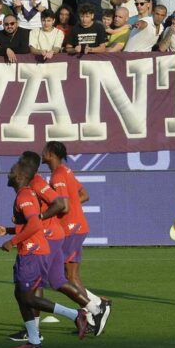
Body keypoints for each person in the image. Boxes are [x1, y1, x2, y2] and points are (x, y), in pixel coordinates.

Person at [0, 158, 96, 348]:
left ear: (20, 176)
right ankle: (34, 340)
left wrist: (11, 241)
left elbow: (35, 224)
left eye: (12, 169)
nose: (9, 171)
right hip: (32, 249)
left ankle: (76, 315)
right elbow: (31, 223)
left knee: (29, 297)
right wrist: (9, 230)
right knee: (20, 294)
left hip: (33, 252)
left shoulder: (24, 196)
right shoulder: (24, 193)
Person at [42, 141, 112, 335]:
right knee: (71, 276)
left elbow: (63, 206)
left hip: (71, 229)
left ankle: (97, 306)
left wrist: (46, 214)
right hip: (77, 227)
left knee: (61, 277)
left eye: (44, 150)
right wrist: (70, 206)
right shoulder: (66, 171)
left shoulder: (58, 176)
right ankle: (95, 312)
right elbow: (83, 195)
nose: (41, 153)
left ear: (50, 154)